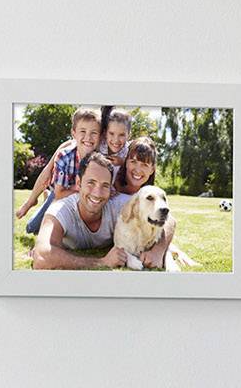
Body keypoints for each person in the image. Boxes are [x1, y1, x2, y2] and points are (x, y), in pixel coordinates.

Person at [28, 154, 127, 269]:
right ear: (79, 183)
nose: (97, 193)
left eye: (105, 186)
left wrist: (153, 252)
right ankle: (47, 197)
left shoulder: (119, 205)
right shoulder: (60, 210)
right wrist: (101, 262)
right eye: (91, 183)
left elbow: (150, 211)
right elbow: (41, 258)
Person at [18, 106, 103, 235]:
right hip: (62, 193)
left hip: (80, 198)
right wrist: (83, 190)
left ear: (100, 136)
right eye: (83, 131)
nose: (88, 137)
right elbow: (60, 194)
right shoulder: (65, 156)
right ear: (74, 133)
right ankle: (43, 199)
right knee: (32, 228)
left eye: (94, 133)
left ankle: (47, 198)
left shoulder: (101, 159)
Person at [110, 136, 176, 267]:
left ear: (152, 169)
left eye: (145, 165)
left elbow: (170, 221)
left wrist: (159, 251)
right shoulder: (109, 179)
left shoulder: (149, 192)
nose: (138, 169)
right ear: (126, 162)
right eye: (133, 161)